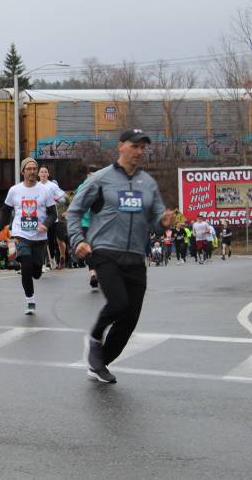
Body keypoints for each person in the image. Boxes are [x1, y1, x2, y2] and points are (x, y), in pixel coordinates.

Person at [68, 128, 175, 384]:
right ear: (120, 147)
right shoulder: (100, 179)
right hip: (105, 251)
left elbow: (156, 221)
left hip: (135, 256)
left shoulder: (148, 183)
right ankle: (94, 338)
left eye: (142, 147)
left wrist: (164, 222)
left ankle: (100, 362)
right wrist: (77, 240)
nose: (139, 151)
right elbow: (74, 211)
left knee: (130, 318)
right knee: (118, 303)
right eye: (134, 146)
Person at [0, 157, 56, 315]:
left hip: (40, 237)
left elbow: (52, 213)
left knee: (36, 272)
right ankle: (30, 301)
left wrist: (45, 225)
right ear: (23, 172)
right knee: (26, 267)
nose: (33, 171)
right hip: (21, 234)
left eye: (34, 168)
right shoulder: (15, 190)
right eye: (29, 169)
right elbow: (5, 211)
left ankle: (38, 269)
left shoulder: (46, 190)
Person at [38, 166, 66, 270]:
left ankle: (53, 258)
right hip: (41, 217)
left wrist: (57, 199)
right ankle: (43, 263)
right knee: (42, 240)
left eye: (45, 172)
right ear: (38, 174)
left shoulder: (53, 186)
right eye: (42, 172)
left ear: (48, 174)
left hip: (52, 217)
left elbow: (64, 199)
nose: (44, 174)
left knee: (51, 240)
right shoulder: (36, 186)